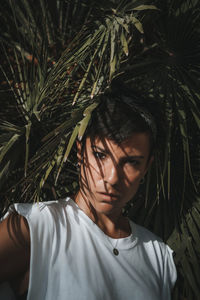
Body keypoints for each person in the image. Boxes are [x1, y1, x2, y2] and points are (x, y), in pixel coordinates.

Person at [0, 84, 177, 300]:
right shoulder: (37, 226)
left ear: (146, 166)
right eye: (101, 155)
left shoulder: (158, 256)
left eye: (131, 162)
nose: (112, 178)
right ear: (80, 151)